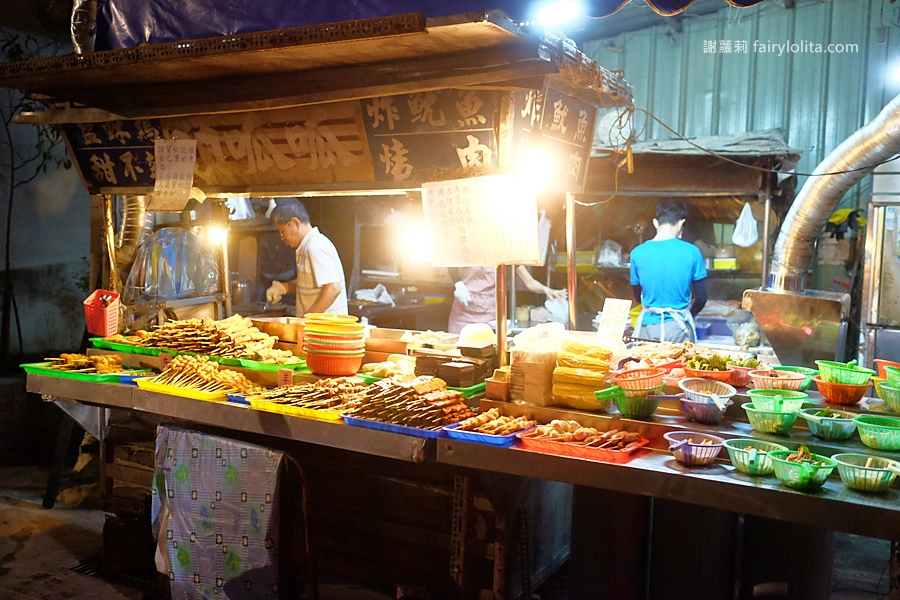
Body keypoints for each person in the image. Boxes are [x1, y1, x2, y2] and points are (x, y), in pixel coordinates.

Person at [630, 200, 707, 343]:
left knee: (646, 364)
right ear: (681, 223)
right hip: (679, 328)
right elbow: (702, 297)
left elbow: (636, 294)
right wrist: (688, 313)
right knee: (678, 365)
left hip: (647, 327)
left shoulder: (637, 253)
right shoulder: (692, 252)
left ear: (655, 223)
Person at [265, 198, 348, 316]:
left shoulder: (315, 247)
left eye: (282, 232)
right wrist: (283, 288)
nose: (281, 238)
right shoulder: (308, 245)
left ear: (295, 223)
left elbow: (333, 288)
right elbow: (313, 283)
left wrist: (308, 318)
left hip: (325, 330)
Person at [448, 265, 567, 334]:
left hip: (487, 314)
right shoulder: (473, 245)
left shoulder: (507, 254)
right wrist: (458, 283)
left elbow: (530, 282)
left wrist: (548, 290)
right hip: (463, 311)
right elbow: (449, 260)